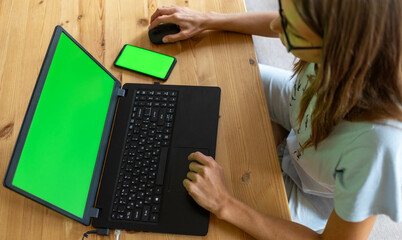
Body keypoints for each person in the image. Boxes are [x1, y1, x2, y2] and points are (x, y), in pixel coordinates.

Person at [149, 0, 402, 239]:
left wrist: (225, 204)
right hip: (304, 110)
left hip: (311, 191)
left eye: (291, 30)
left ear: (338, 46)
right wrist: (210, 20)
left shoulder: (379, 146)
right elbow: (283, 20)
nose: (274, 26)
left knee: (210, 219)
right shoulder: (353, 46)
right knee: (219, 71)